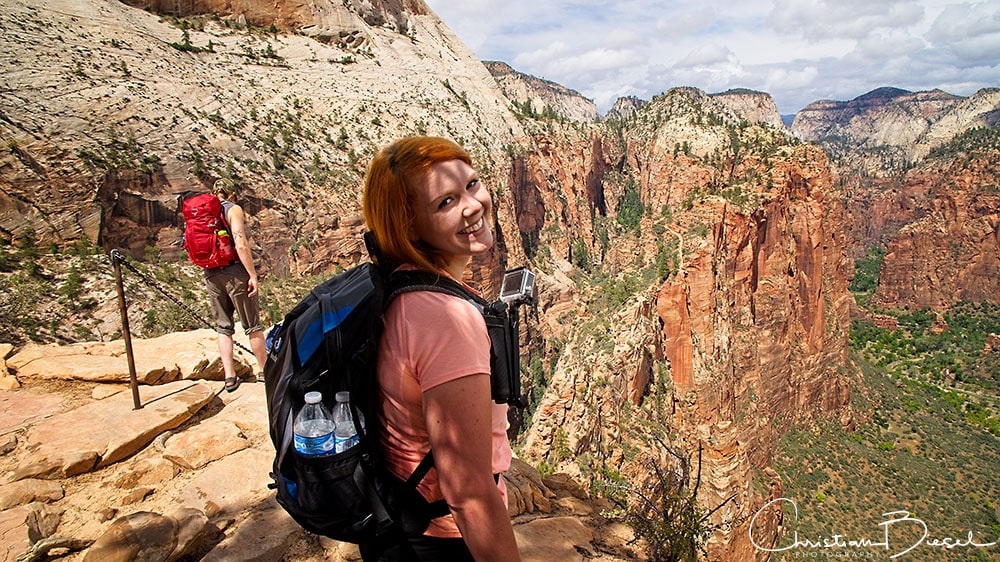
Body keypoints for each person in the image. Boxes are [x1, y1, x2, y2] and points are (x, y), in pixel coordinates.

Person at [361, 137, 521, 562]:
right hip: (441, 538)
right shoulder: (448, 320)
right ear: (410, 226)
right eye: (446, 202)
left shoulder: (402, 286)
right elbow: (468, 494)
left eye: (472, 185)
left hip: (400, 516)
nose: (473, 205)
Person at [204, 178, 267, 392]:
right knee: (253, 325)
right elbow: (240, 242)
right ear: (231, 194)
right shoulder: (233, 209)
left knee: (223, 327)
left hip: (211, 273)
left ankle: (229, 376)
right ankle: (264, 371)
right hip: (235, 272)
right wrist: (252, 274)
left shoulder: (203, 212)